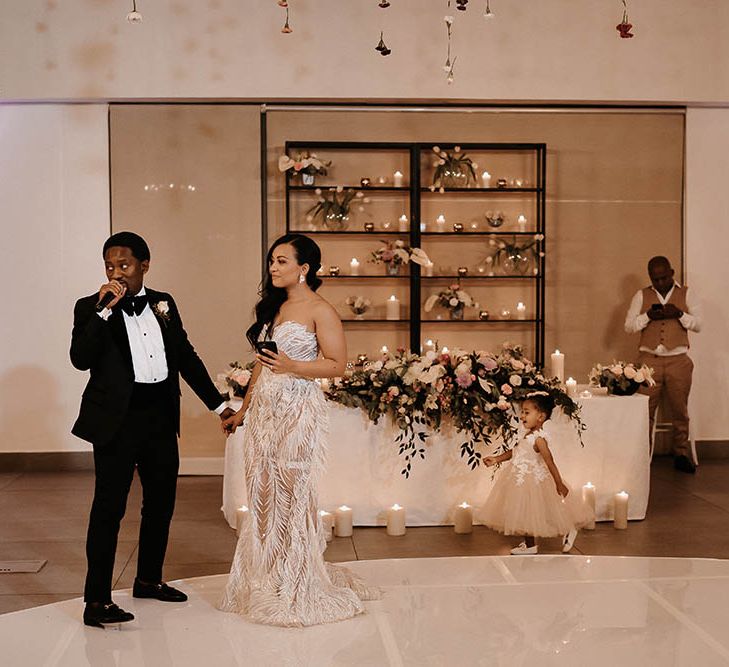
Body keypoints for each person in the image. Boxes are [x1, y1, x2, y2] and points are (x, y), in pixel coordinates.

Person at [70, 231, 235, 628]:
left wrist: (218, 404)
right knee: (108, 509)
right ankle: (96, 600)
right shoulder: (90, 307)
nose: (116, 273)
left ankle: (148, 579)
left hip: (160, 417)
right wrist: (104, 309)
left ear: (144, 265)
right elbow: (79, 358)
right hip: (117, 422)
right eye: (110, 266)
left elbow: (185, 356)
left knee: (160, 503)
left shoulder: (164, 303)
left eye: (124, 265)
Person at [218, 233, 380, 626]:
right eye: (272, 261)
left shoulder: (320, 310)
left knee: (292, 492)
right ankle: (266, 575)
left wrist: (293, 367)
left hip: (298, 410)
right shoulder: (275, 307)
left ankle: (296, 578)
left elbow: (337, 364)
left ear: (303, 268)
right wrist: (244, 410)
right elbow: (261, 363)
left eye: (282, 261)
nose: (273, 268)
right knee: (262, 492)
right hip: (265, 414)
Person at [479, 393, 592, 555]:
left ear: (540, 417)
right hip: (520, 480)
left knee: (546, 513)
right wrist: (496, 459)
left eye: (526, 412)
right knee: (526, 515)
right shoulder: (527, 435)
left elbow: (550, 461)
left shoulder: (539, 439)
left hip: (534, 481)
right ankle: (530, 545)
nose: (522, 416)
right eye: (522, 412)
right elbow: (515, 452)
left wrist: (558, 483)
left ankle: (569, 530)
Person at [624, 256, 702, 473]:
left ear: (672, 272)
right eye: (655, 279)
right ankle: (642, 455)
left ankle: (681, 453)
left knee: (680, 408)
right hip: (649, 361)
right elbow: (629, 326)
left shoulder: (687, 293)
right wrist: (648, 316)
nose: (660, 282)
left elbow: (699, 324)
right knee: (644, 410)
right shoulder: (641, 295)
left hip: (679, 360)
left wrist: (679, 314)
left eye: (663, 277)